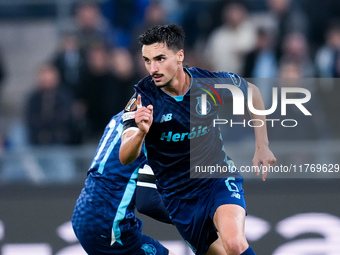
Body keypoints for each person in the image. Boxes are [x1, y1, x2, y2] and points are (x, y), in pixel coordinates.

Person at [119, 24, 276, 255]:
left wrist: (262, 146)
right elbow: (125, 156)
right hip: (179, 200)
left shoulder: (208, 84)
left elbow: (251, 92)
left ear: (180, 55)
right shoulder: (143, 100)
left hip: (216, 179)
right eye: (147, 60)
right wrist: (141, 132)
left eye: (160, 58)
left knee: (234, 243)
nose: (153, 68)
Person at [72, 110, 174, 255]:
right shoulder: (154, 129)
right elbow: (148, 203)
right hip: (109, 223)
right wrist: (184, 218)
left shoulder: (123, 115)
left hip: (85, 211)